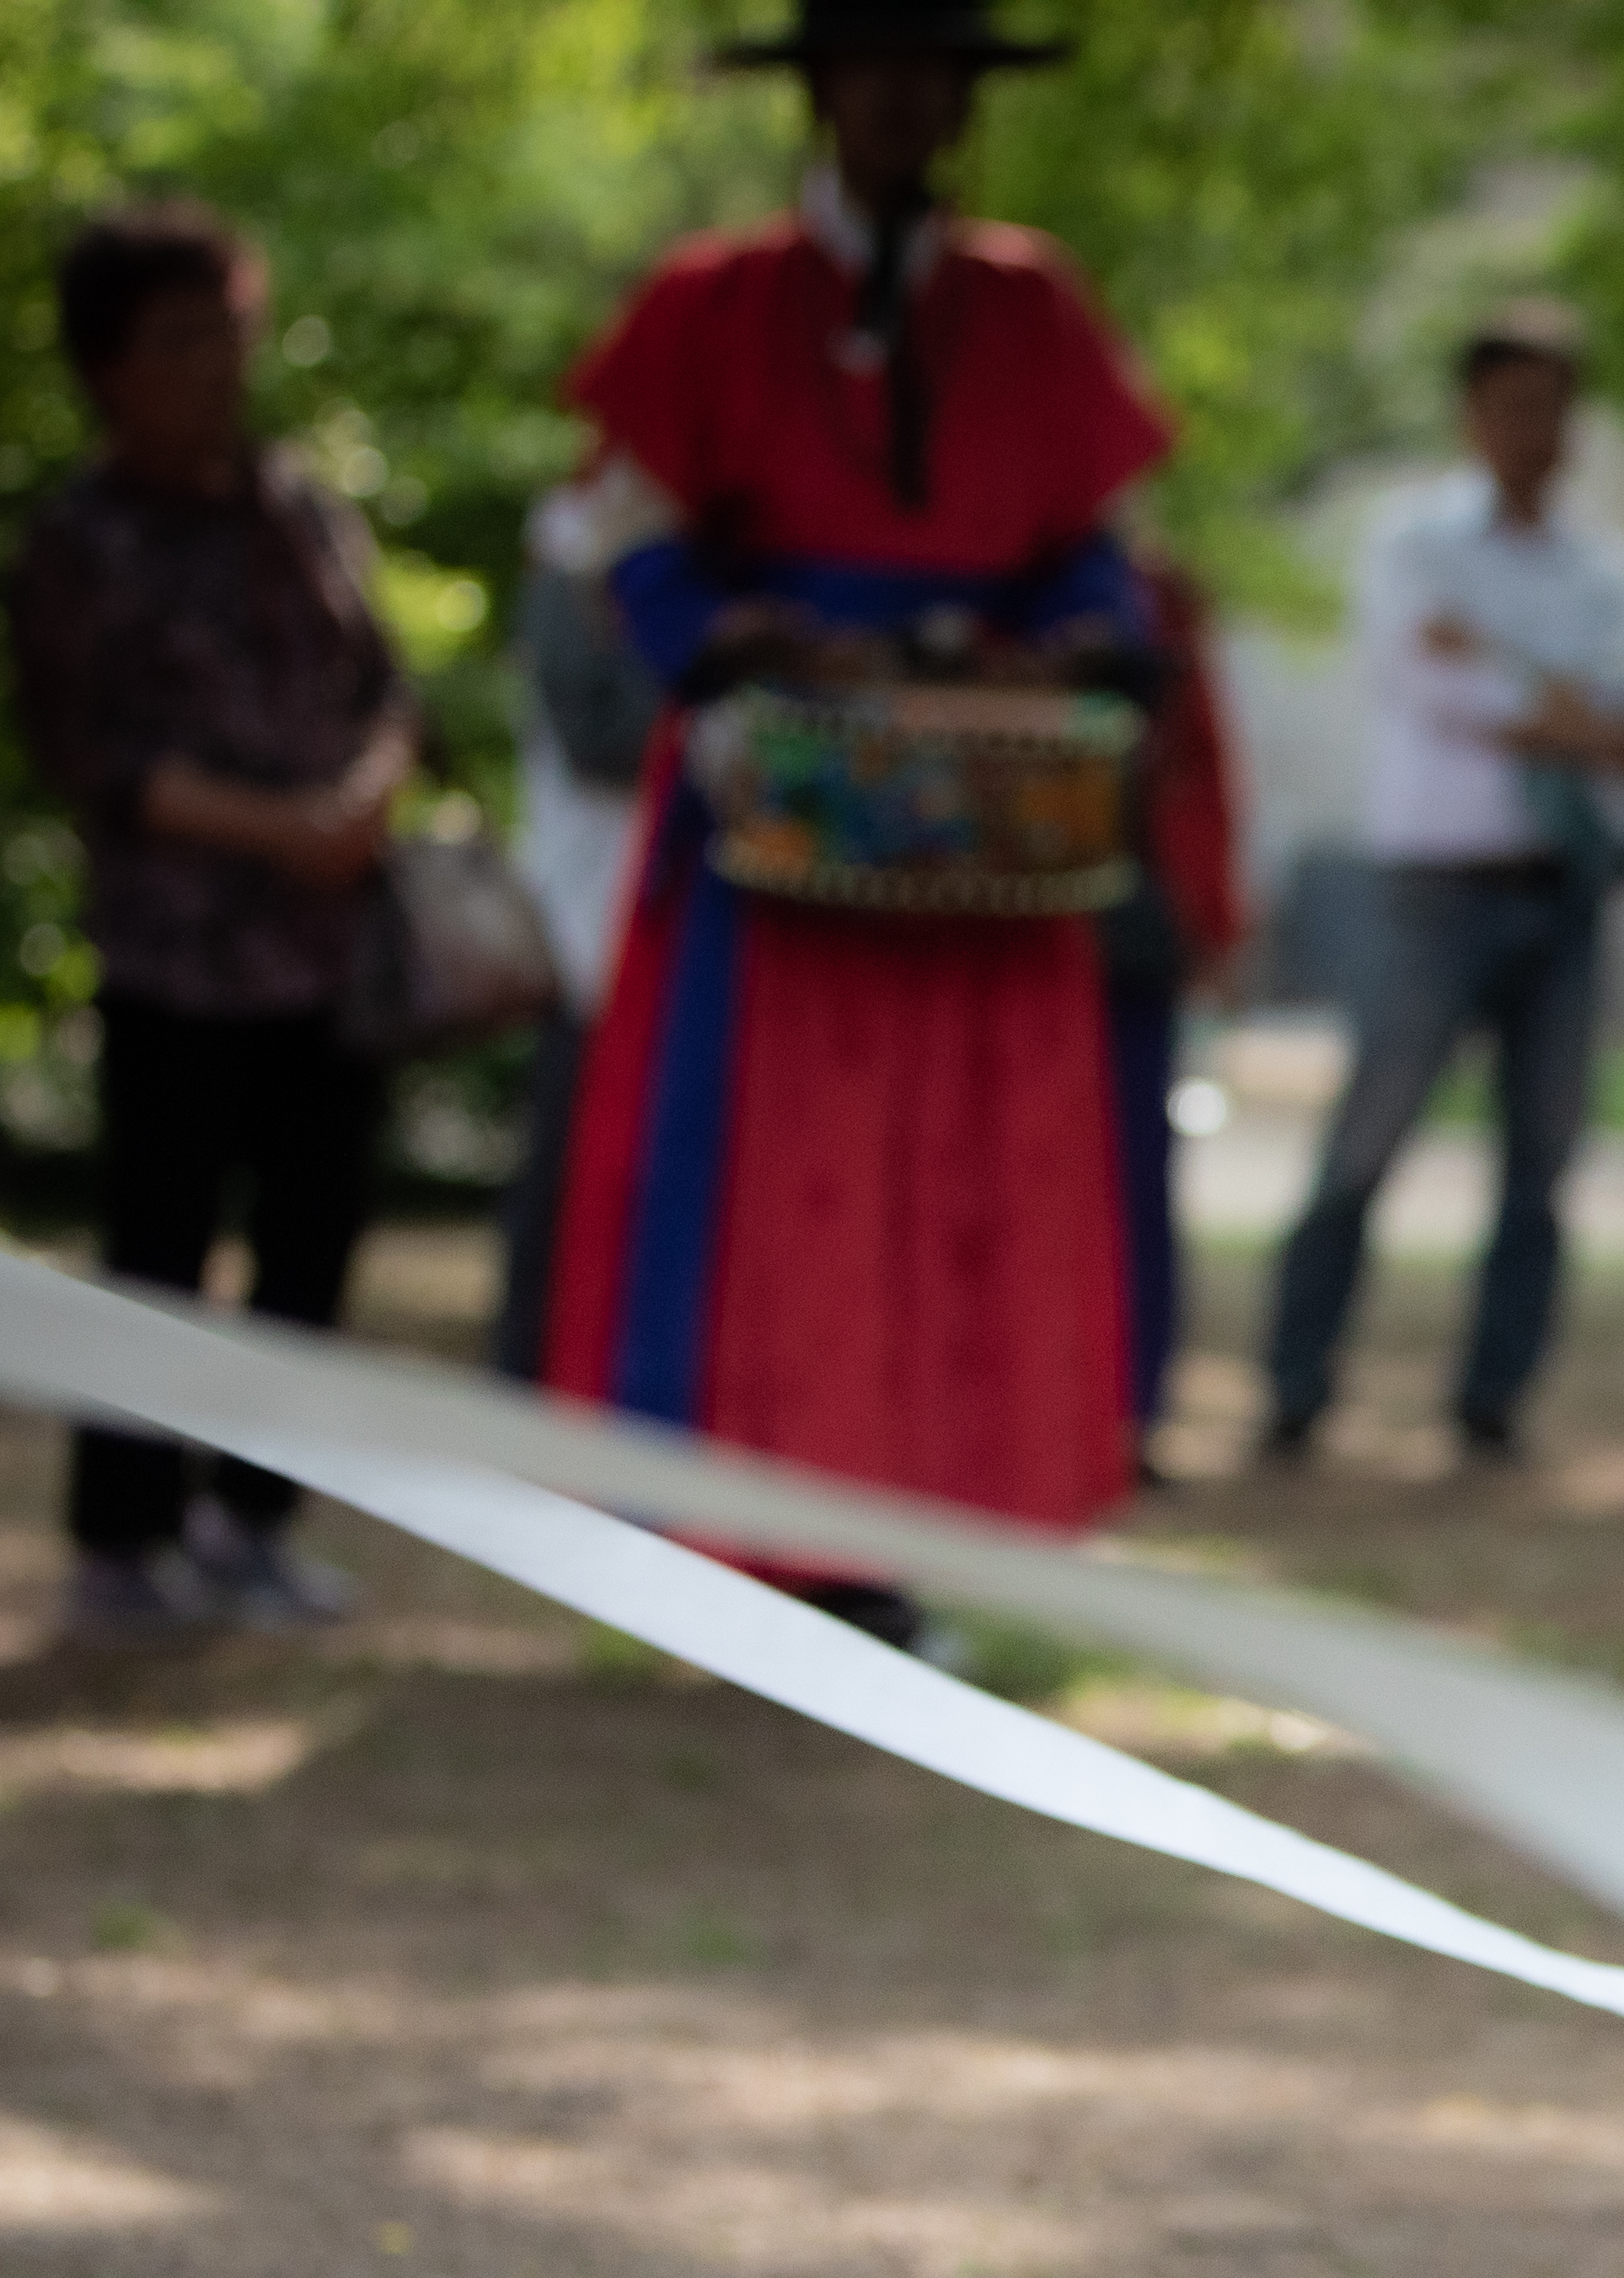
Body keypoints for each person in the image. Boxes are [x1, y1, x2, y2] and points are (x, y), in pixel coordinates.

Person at [529, 0, 1172, 1641]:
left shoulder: (1033, 305)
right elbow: (631, 534)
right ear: (816, 86)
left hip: (990, 828)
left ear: (965, 97)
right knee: (779, 1168)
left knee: (963, 1171)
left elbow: (1097, 554)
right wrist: (747, 657)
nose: (903, 96)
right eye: (873, 61)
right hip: (783, 824)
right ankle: (769, 1538)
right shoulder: (712, 302)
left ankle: (925, 1521)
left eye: (934, 67)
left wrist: (1088, 646)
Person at [9, 200, 421, 1639]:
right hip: (177, 953)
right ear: (108, 363)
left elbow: (387, 683)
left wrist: (363, 798)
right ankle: (122, 1540)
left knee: (310, 1243)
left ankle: (256, 1522)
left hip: (325, 957)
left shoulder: (298, 505)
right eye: (181, 340)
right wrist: (275, 830)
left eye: (229, 334)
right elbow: (87, 752)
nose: (216, 367)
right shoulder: (82, 537)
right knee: (156, 1252)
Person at [1258, 304, 1624, 1475]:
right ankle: (1296, 1383)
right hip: (1435, 884)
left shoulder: (1604, 569)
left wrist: (1516, 681)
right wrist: (1562, 708)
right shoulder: (1412, 544)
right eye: (1513, 403)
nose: (1534, 428)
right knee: (1366, 1142)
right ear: (1472, 413)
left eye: (1553, 405)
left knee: (1542, 1158)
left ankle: (1493, 1401)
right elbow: (1433, 684)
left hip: (1560, 882)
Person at [489, 480, 660, 1384]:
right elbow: (598, 734)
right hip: (589, 927)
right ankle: (529, 1390)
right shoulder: (575, 555)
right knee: (563, 1187)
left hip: (664, 936)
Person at [1101, 536, 1245, 1464]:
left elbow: (1199, 764)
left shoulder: (1154, 594)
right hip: (983, 922)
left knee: (1134, 1177)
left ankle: (1129, 1409)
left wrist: (1211, 912)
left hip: (1125, 920)